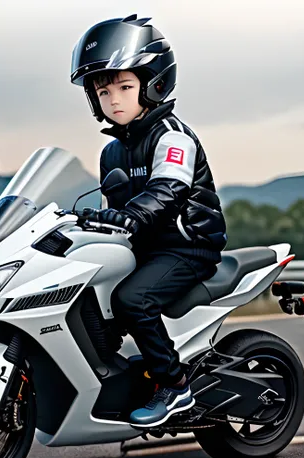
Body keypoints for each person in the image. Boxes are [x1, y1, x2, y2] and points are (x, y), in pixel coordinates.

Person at [70, 14, 227, 428]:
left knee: (131, 300)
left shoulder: (172, 136)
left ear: (153, 82)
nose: (114, 99)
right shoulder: (112, 154)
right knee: (88, 295)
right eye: (103, 91)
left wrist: (130, 216)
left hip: (187, 244)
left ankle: (174, 386)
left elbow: (167, 190)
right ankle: (124, 379)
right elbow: (112, 210)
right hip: (146, 248)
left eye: (125, 86)